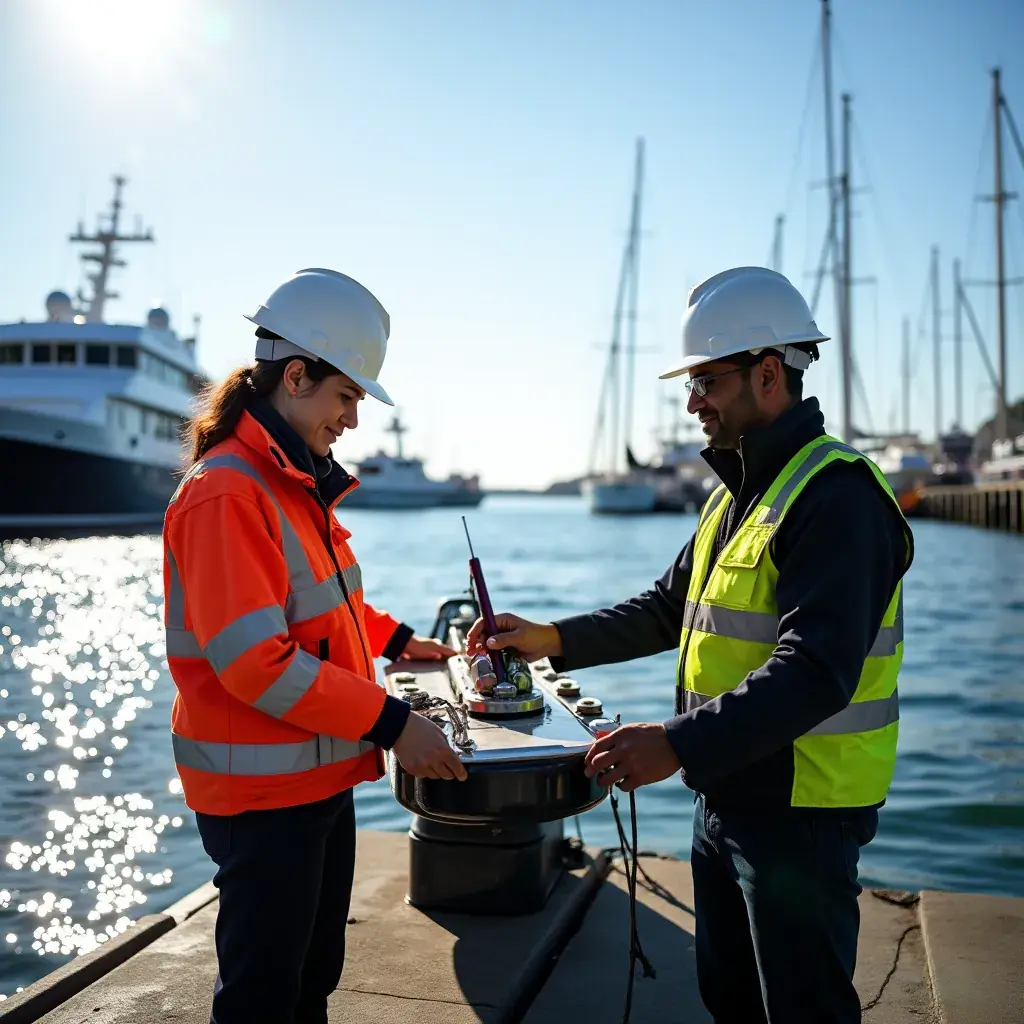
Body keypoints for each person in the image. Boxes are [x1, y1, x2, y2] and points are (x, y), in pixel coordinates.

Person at [468, 267, 913, 1024]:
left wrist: (674, 742)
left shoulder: (837, 495)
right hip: (728, 797)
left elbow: (817, 671)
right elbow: (668, 608)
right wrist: (547, 638)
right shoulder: (737, 494)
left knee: (803, 1012)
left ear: (767, 374)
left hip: (801, 818)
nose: (691, 401)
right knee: (730, 1000)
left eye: (705, 381)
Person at [163, 267, 468, 1024]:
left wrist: (401, 643)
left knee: (312, 978)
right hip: (263, 798)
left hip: (315, 782)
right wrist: (397, 726)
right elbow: (255, 663)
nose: (352, 421)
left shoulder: (288, 483)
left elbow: (327, 611)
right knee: (266, 995)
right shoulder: (228, 491)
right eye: (347, 397)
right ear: (295, 376)